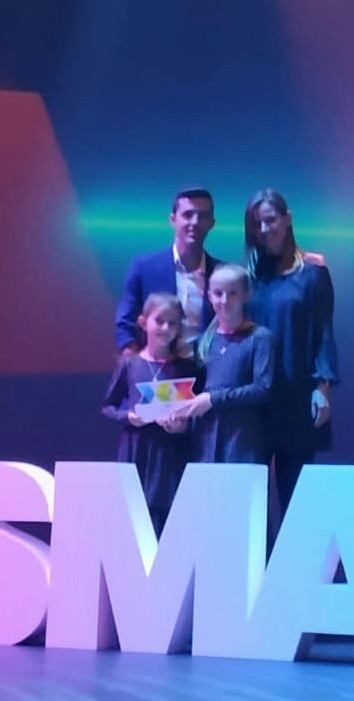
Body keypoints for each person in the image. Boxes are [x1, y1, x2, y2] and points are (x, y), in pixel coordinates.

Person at [242, 189, 339, 510]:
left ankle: (295, 560)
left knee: (296, 498)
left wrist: (322, 387)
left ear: (287, 219)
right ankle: (259, 562)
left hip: (296, 396)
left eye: (270, 220)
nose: (265, 229)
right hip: (255, 399)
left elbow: (323, 332)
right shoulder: (250, 277)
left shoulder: (312, 273)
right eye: (258, 224)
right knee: (251, 501)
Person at [101, 293, 198, 531]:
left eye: (173, 322)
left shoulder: (185, 367)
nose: (166, 328)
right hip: (136, 449)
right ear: (144, 322)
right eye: (160, 321)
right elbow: (108, 406)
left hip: (169, 453)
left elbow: (196, 415)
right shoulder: (130, 364)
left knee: (167, 520)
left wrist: (183, 426)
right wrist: (128, 417)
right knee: (133, 518)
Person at [171, 265, 274, 464]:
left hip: (243, 443)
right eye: (218, 293)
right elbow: (194, 393)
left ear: (247, 295)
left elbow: (263, 389)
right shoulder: (203, 342)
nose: (224, 301)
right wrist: (179, 419)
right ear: (209, 295)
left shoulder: (260, 338)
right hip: (205, 443)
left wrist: (213, 399)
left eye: (233, 293)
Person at [113, 188, 221, 356]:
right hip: (156, 374)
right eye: (188, 215)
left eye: (203, 216)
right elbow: (125, 324)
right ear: (172, 220)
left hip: (208, 376)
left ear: (212, 223)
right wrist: (136, 367)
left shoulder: (222, 275)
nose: (195, 222)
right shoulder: (144, 267)